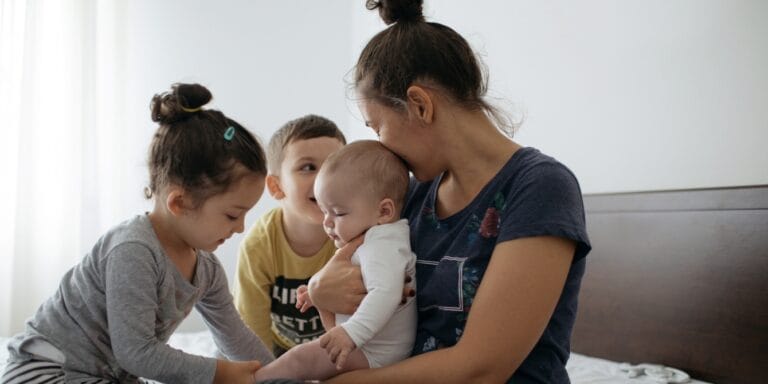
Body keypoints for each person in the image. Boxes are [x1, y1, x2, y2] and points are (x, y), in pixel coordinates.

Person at [306, 1, 592, 383]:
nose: (381, 146)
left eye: (378, 128)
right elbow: (346, 275)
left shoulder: (540, 187)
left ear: (420, 105)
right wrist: (319, 288)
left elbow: (481, 368)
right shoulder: (411, 194)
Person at [2, 83, 274, 384]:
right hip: (47, 370)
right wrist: (219, 373)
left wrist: (278, 375)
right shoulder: (134, 250)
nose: (240, 228)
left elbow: (235, 337)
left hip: (109, 375)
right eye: (233, 215)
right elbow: (136, 352)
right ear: (179, 202)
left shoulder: (207, 270)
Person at [254, 140, 417, 382]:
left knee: (301, 359)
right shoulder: (372, 235)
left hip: (376, 352)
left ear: (384, 211)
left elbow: (386, 293)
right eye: (324, 211)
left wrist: (351, 333)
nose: (327, 222)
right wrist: (317, 293)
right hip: (368, 345)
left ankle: (251, 380)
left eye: (338, 213)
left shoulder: (382, 244)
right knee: (308, 362)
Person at [233, 115, 346, 356]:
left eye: (333, 166)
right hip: (280, 347)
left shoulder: (355, 236)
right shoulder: (259, 246)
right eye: (308, 168)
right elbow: (251, 328)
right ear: (276, 186)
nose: (323, 179)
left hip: (339, 347)